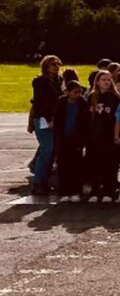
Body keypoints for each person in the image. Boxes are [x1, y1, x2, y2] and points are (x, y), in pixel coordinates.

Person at [29, 55, 63, 195]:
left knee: (52, 150)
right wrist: (48, 118)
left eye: (57, 64)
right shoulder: (40, 81)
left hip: (55, 119)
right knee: (47, 149)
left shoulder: (57, 80)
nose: (56, 67)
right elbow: (39, 102)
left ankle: (44, 181)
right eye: (52, 64)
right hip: (44, 119)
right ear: (46, 66)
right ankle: (38, 183)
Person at [86, 70, 120, 202]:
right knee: (94, 165)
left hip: (109, 137)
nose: (106, 82)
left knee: (109, 165)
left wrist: (117, 136)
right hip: (94, 138)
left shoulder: (114, 98)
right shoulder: (92, 97)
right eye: (103, 80)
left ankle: (108, 191)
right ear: (98, 82)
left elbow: (118, 119)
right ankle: (95, 191)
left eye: (108, 80)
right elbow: (87, 118)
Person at [54, 80, 88, 202]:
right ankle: (64, 192)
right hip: (63, 138)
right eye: (75, 92)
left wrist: (82, 139)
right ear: (67, 92)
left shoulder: (83, 103)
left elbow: (85, 122)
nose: (78, 94)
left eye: (80, 92)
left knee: (76, 166)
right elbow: (57, 120)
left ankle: (75, 191)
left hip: (76, 139)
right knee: (63, 166)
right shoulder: (61, 102)